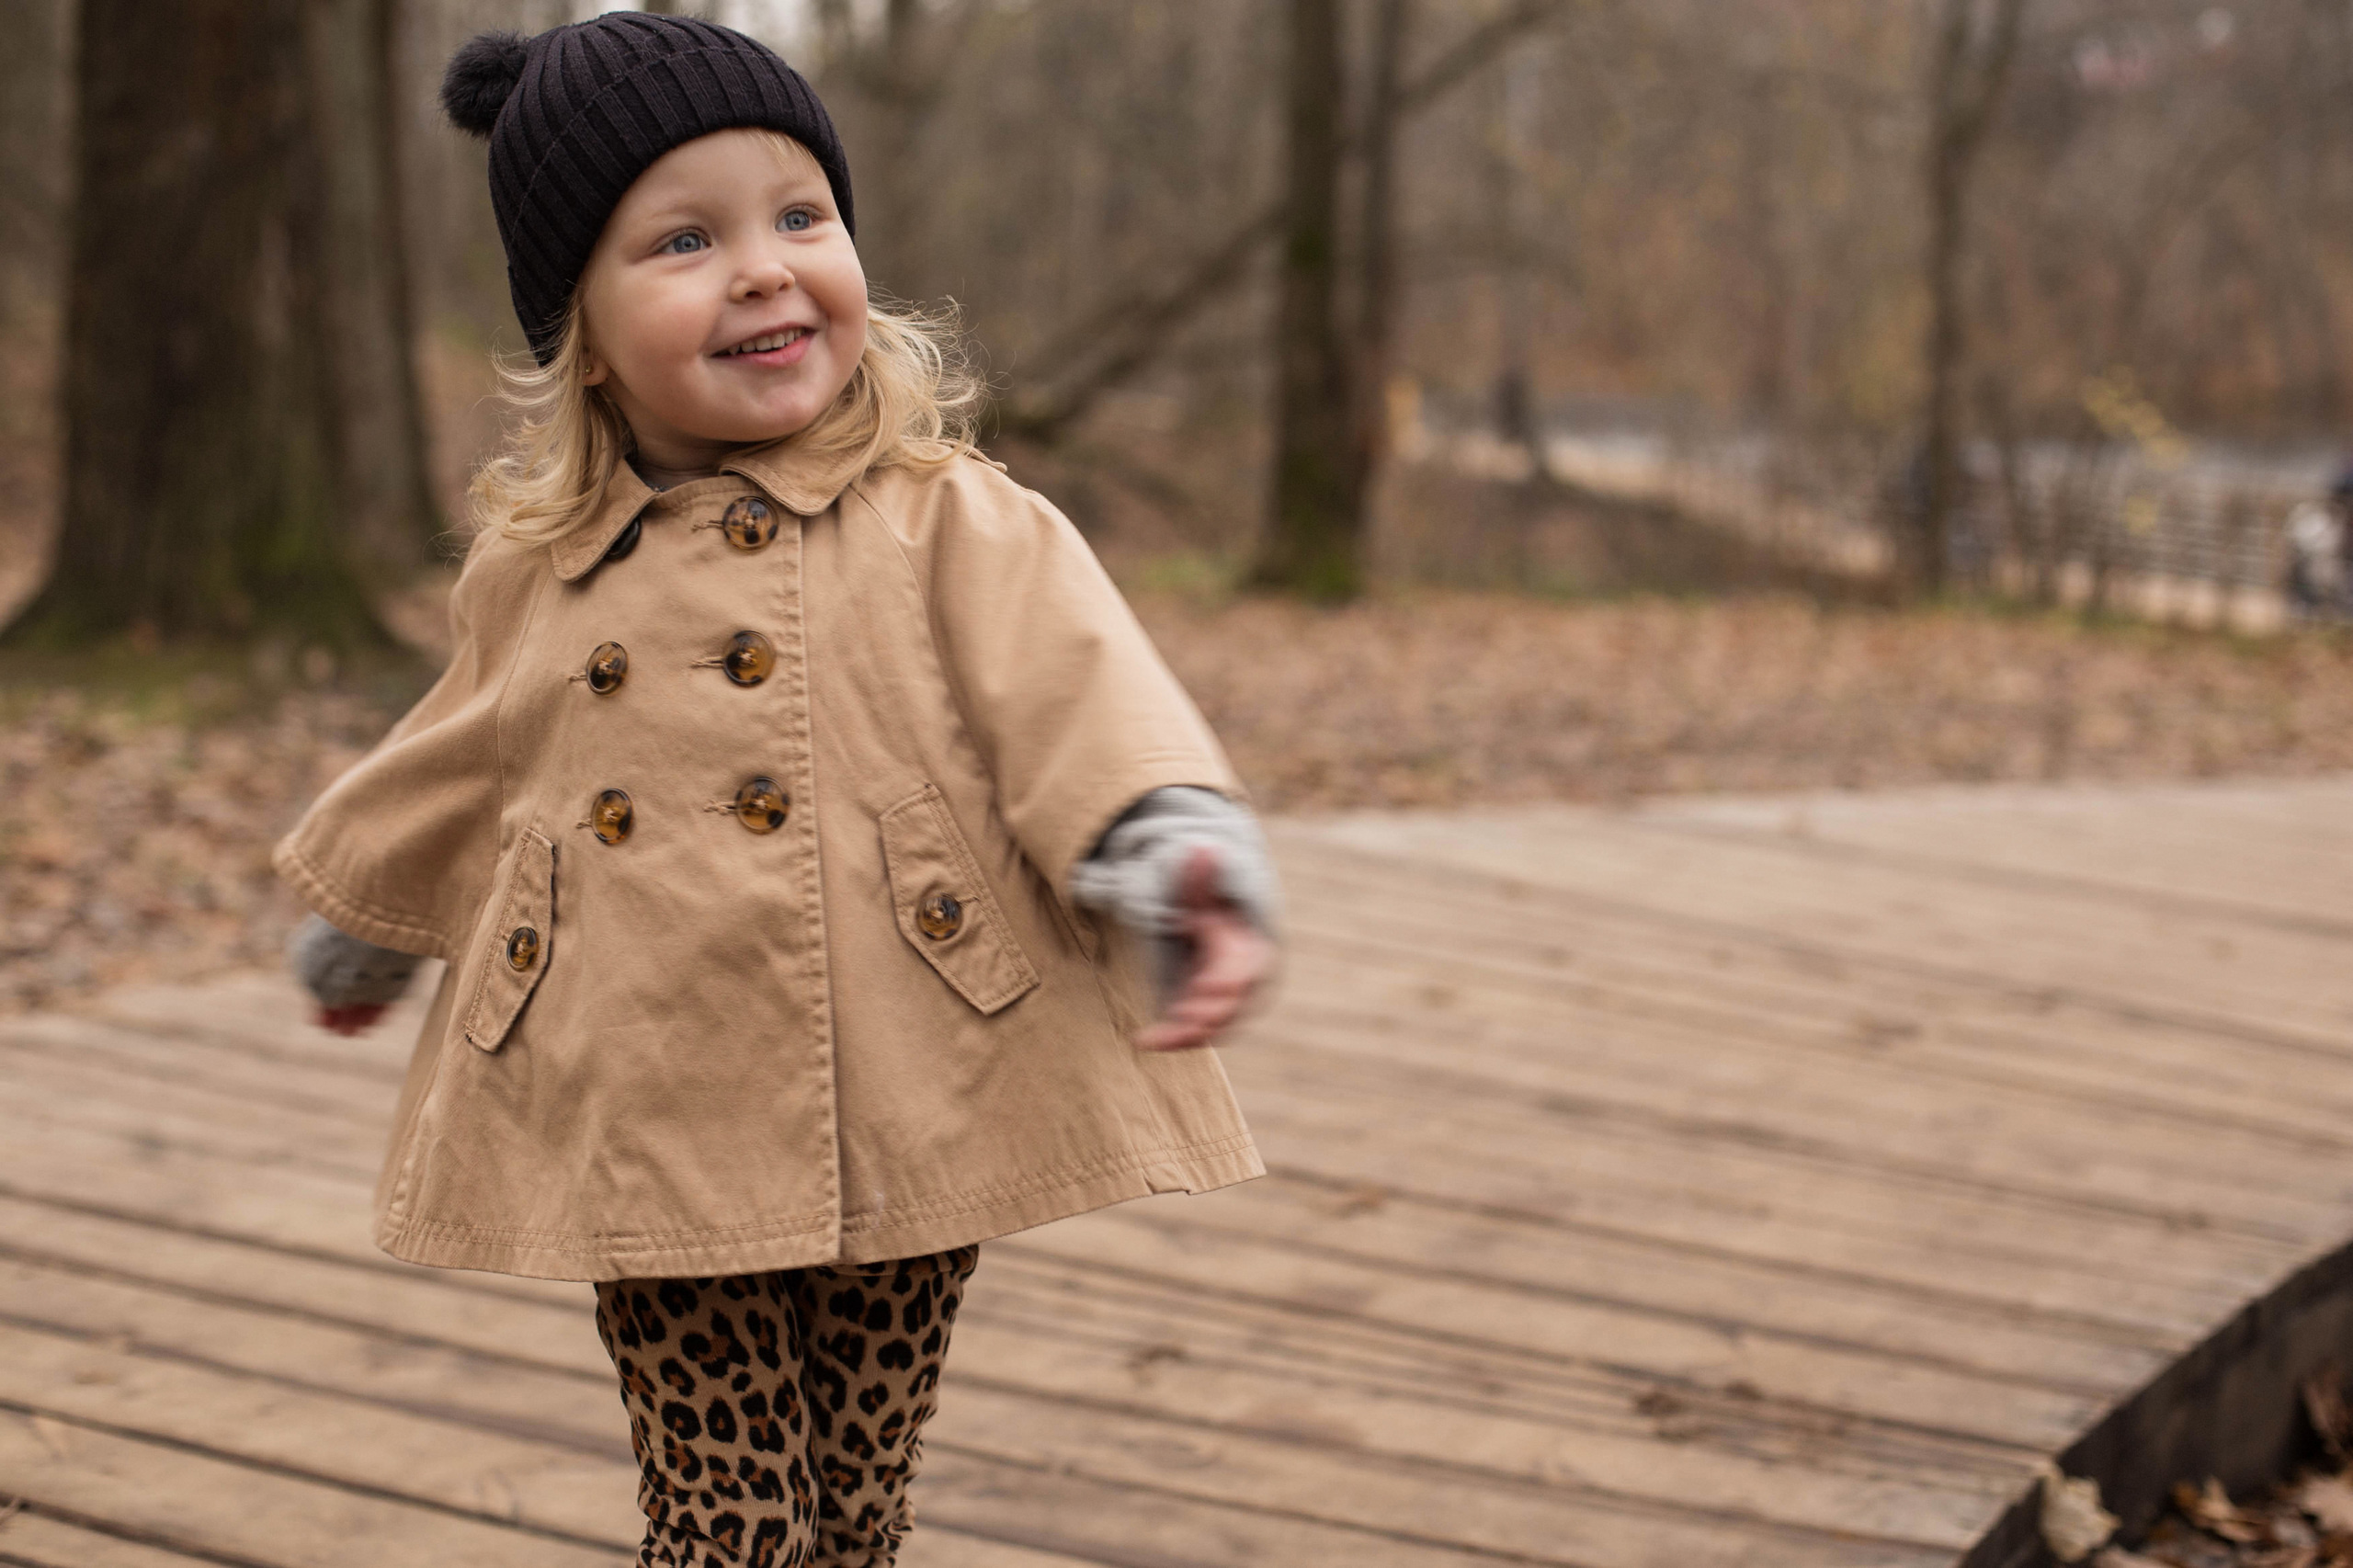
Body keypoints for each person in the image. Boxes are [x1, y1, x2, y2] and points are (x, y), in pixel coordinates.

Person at [273, 17, 1279, 1567]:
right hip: (650, 1086)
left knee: (858, 1492)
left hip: (918, 1066)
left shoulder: (941, 516)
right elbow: (463, 747)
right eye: (686, 239)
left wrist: (1170, 837)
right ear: (584, 334)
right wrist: (370, 918)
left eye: (799, 217)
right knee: (728, 1511)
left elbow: (1079, 686)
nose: (762, 267)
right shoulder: (544, 565)